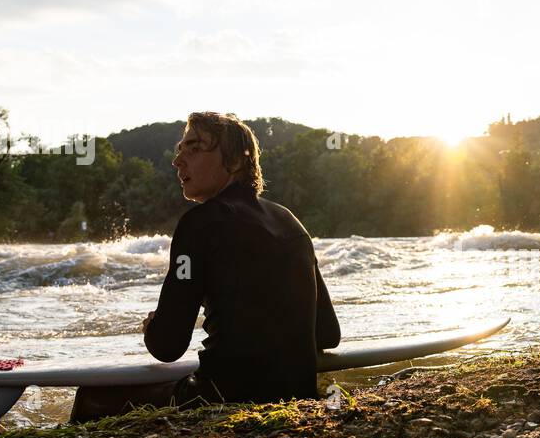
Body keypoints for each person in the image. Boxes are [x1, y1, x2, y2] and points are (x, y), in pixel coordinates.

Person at [69, 112, 340, 421]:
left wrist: (152, 327)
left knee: (91, 398)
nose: (178, 160)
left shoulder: (199, 224)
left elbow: (167, 346)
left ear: (236, 160)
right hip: (295, 398)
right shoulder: (289, 221)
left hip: (222, 399)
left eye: (195, 148)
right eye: (180, 149)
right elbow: (328, 334)